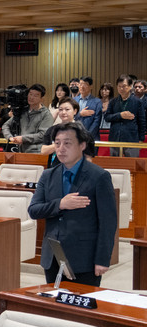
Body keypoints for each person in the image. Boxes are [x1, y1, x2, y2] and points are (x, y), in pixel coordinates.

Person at [28, 122, 117, 286]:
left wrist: (102, 259)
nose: (61, 149)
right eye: (57, 143)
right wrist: (60, 204)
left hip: (84, 258)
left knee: (81, 302)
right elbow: (34, 210)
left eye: (67, 143)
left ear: (82, 145)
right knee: (54, 301)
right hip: (52, 256)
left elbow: (108, 222)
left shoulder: (99, 176)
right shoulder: (48, 175)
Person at [2, 84, 54, 153]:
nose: (31, 97)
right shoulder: (22, 110)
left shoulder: (46, 115)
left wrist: (23, 138)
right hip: (21, 151)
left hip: (37, 152)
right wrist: (10, 137)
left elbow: (43, 134)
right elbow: (5, 126)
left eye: (35, 95)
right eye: (30, 94)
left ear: (41, 99)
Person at [40, 99, 95, 164]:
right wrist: (59, 144)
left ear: (75, 111)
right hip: (55, 167)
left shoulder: (83, 132)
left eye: (67, 109)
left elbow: (88, 157)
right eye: (60, 109)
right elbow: (43, 151)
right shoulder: (52, 130)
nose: (63, 112)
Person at [105, 74, 145, 157]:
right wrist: (120, 115)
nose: (121, 89)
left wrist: (141, 139)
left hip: (131, 138)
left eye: (124, 86)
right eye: (119, 86)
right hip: (115, 138)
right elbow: (107, 117)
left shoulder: (138, 102)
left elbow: (142, 121)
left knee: (132, 163)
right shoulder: (113, 101)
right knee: (114, 163)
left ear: (130, 86)